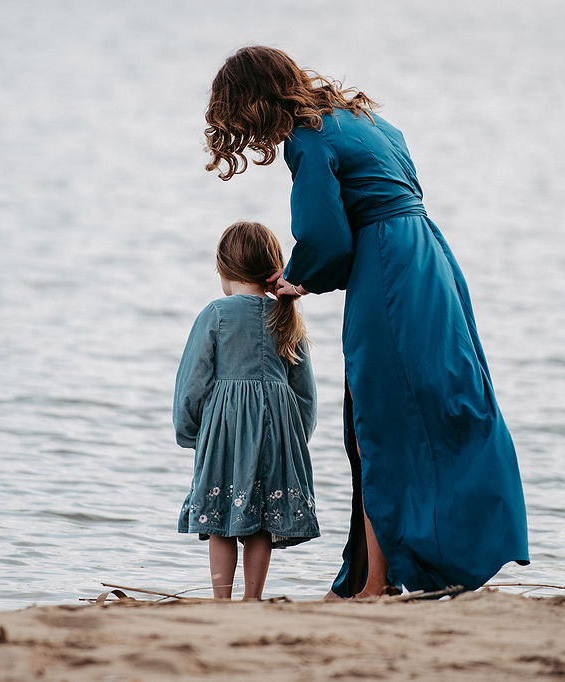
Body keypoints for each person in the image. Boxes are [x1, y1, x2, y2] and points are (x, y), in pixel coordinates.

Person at [204, 46, 529, 598]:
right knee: (440, 404)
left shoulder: (306, 139)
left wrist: (297, 277)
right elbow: (392, 191)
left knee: (376, 423)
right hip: (429, 258)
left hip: (390, 273)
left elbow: (326, 235)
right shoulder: (360, 116)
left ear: (257, 103)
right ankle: (375, 573)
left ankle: (375, 583)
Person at [173, 221, 319, 600]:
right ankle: (253, 599)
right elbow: (305, 392)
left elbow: (193, 380)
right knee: (261, 521)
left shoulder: (216, 314)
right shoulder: (287, 316)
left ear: (224, 269)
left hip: (223, 433)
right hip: (277, 433)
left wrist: (189, 431)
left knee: (220, 519)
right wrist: (296, 437)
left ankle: (222, 600)